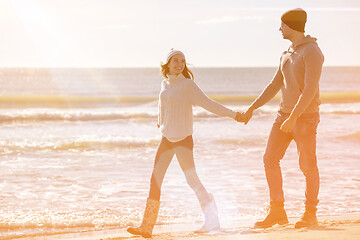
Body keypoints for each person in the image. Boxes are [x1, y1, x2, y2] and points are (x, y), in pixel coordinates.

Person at [127, 49, 242, 238]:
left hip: (183, 140)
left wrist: (235, 115)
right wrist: (161, 121)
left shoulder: (188, 85)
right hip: (166, 139)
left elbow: (209, 104)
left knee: (192, 180)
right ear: (167, 64)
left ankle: (212, 220)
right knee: (155, 180)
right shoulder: (164, 84)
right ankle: (147, 227)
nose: (180, 64)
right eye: (176, 61)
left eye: (183, 61)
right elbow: (161, 104)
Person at [237, 8, 324, 228]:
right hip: (282, 116)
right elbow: (275, 85)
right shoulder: (287, 53)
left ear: (291, 26)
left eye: (282, 25)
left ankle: (310, 215)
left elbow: (311, 89)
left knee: (308, 166)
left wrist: (295, 117)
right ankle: (277, 211)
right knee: (269, 160)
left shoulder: (312, 51)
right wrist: (252, 108)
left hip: (305, 118)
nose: (279, 29)